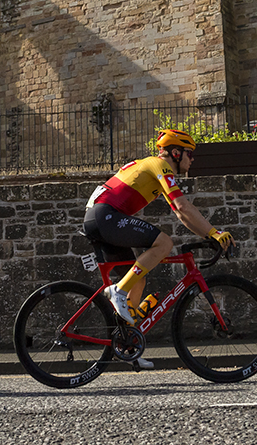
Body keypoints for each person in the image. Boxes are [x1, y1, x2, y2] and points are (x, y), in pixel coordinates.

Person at [84, 129, 234, 343]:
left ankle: (127, 344)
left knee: (137, 280)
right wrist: (214, 232)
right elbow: (183, 205)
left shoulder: (155, 169)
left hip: (100, 219)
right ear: (175, 152)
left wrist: (210, 236)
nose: (192, 159)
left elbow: (181, 213)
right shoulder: (159, 164)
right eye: (189, 154)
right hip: (104, 216)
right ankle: (117, 291)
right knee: (164, 243)